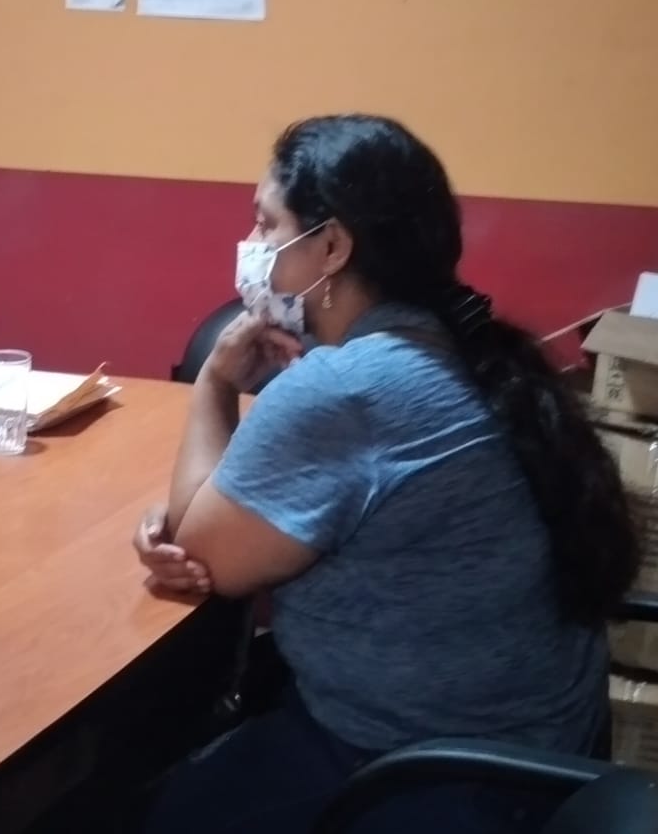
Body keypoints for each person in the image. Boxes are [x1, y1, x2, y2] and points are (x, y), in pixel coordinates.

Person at [134, 115, 637, 833]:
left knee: (148, 809)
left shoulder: (347, 388)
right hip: (538, 743)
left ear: (332, 246)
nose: (253, 248)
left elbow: (202, 553)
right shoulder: (458, 347)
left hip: (426, 771)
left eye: (267, 225)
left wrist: (215, 380)